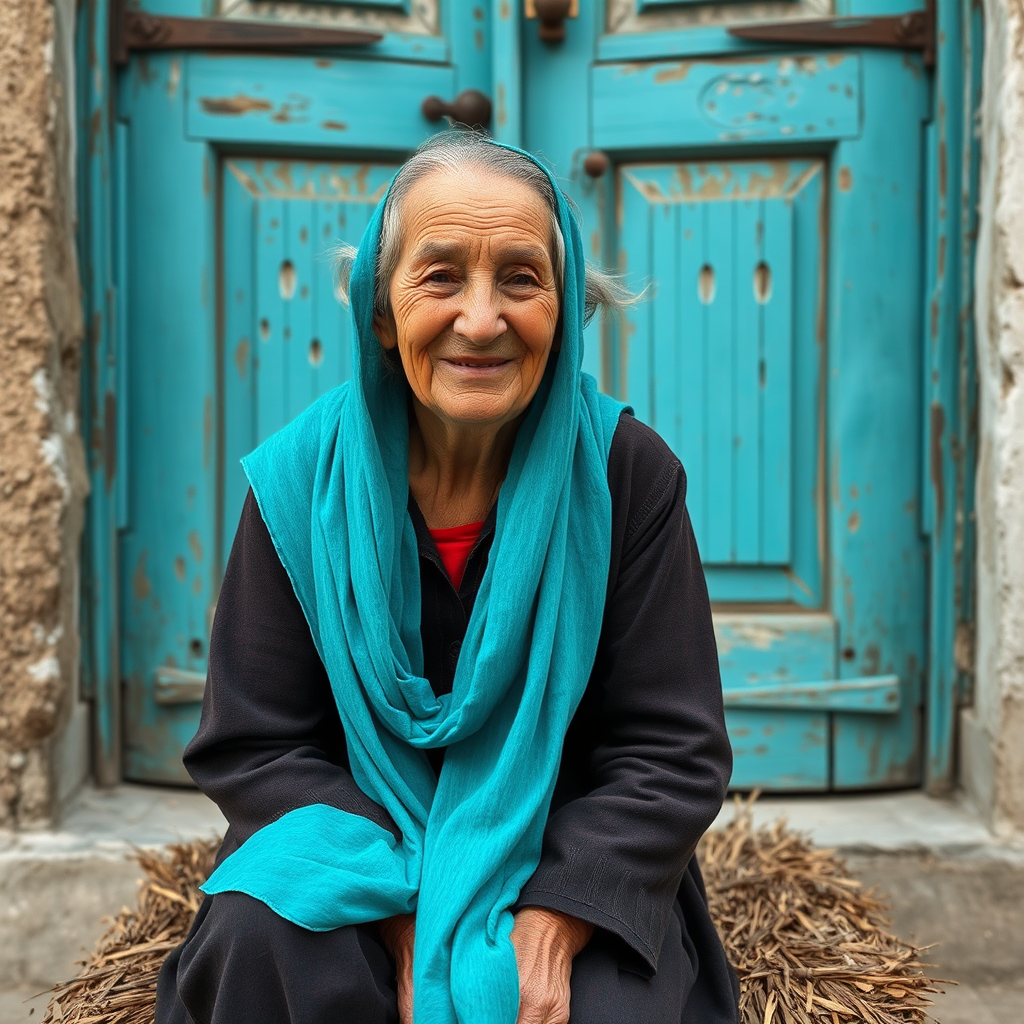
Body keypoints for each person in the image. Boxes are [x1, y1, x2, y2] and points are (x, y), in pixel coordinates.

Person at [155, 130, 739, 1024]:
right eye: (440, 277)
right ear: (380, 315)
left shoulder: (627, 473)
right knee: (265, 947)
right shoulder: (301, 480)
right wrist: (400, 911)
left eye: (520, 277)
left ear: (564, 306)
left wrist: (554, 915)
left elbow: (671, 749)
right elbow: (257, 743)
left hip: (558, 853)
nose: (481, 319)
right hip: (355, 849)